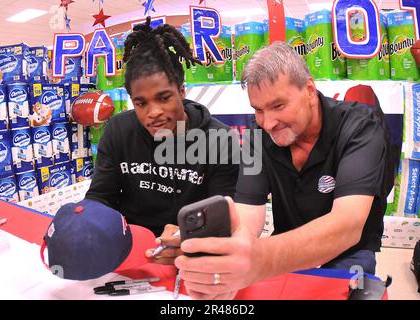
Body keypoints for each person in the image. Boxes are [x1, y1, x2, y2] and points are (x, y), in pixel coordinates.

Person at [175, 41, 394, 300]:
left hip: (349, 252)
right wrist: (227, 253)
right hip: (287, 248)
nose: (267, 123)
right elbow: (248, 215)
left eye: (278, 106)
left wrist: (258, 259)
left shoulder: (359, 127)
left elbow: (347, 226)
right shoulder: (258, 136)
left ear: (310, 90)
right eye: (258, 110)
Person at [85, 17, 239, 263]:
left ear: (181, 91)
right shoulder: (118, 130)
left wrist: (188, 244)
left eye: (164, 97)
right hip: (130, 250)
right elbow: (100, 197)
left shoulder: (220, 140)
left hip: (195, 254)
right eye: (141, 103)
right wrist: (85, 225)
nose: (153, 112)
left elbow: (225, 217)